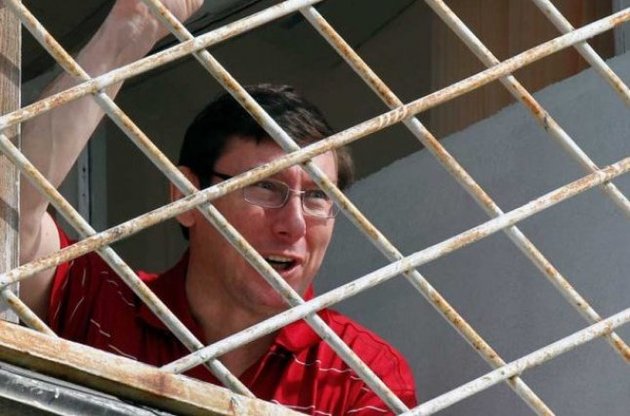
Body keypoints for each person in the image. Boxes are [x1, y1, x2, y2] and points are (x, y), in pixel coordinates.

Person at [19, 1, 417, 414]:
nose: (295, 224)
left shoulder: (361, 374)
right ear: (186, 197)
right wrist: (128, 32)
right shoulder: (104, 302)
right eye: (265, 187)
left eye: (317, 196)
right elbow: (12, 220)